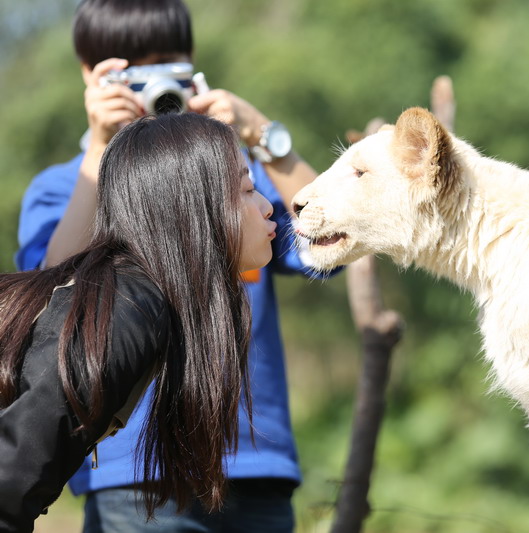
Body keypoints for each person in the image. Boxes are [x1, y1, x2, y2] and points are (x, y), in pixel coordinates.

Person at [15, 0, 326, 531]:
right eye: (134, 74)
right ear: (92, 78)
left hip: (256, 460)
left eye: (170, 66)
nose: (155, 88)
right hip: (132, 473)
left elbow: (328, 247)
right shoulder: (64, 187)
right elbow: (55, 304)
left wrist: (264, 137)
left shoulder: (240, 180)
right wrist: (98, 151)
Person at [1, 113, 276, 532]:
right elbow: (10, 479)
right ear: (192, 206)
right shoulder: (130, 307)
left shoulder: (134, 295)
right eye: (247, 189)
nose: (266, 206)